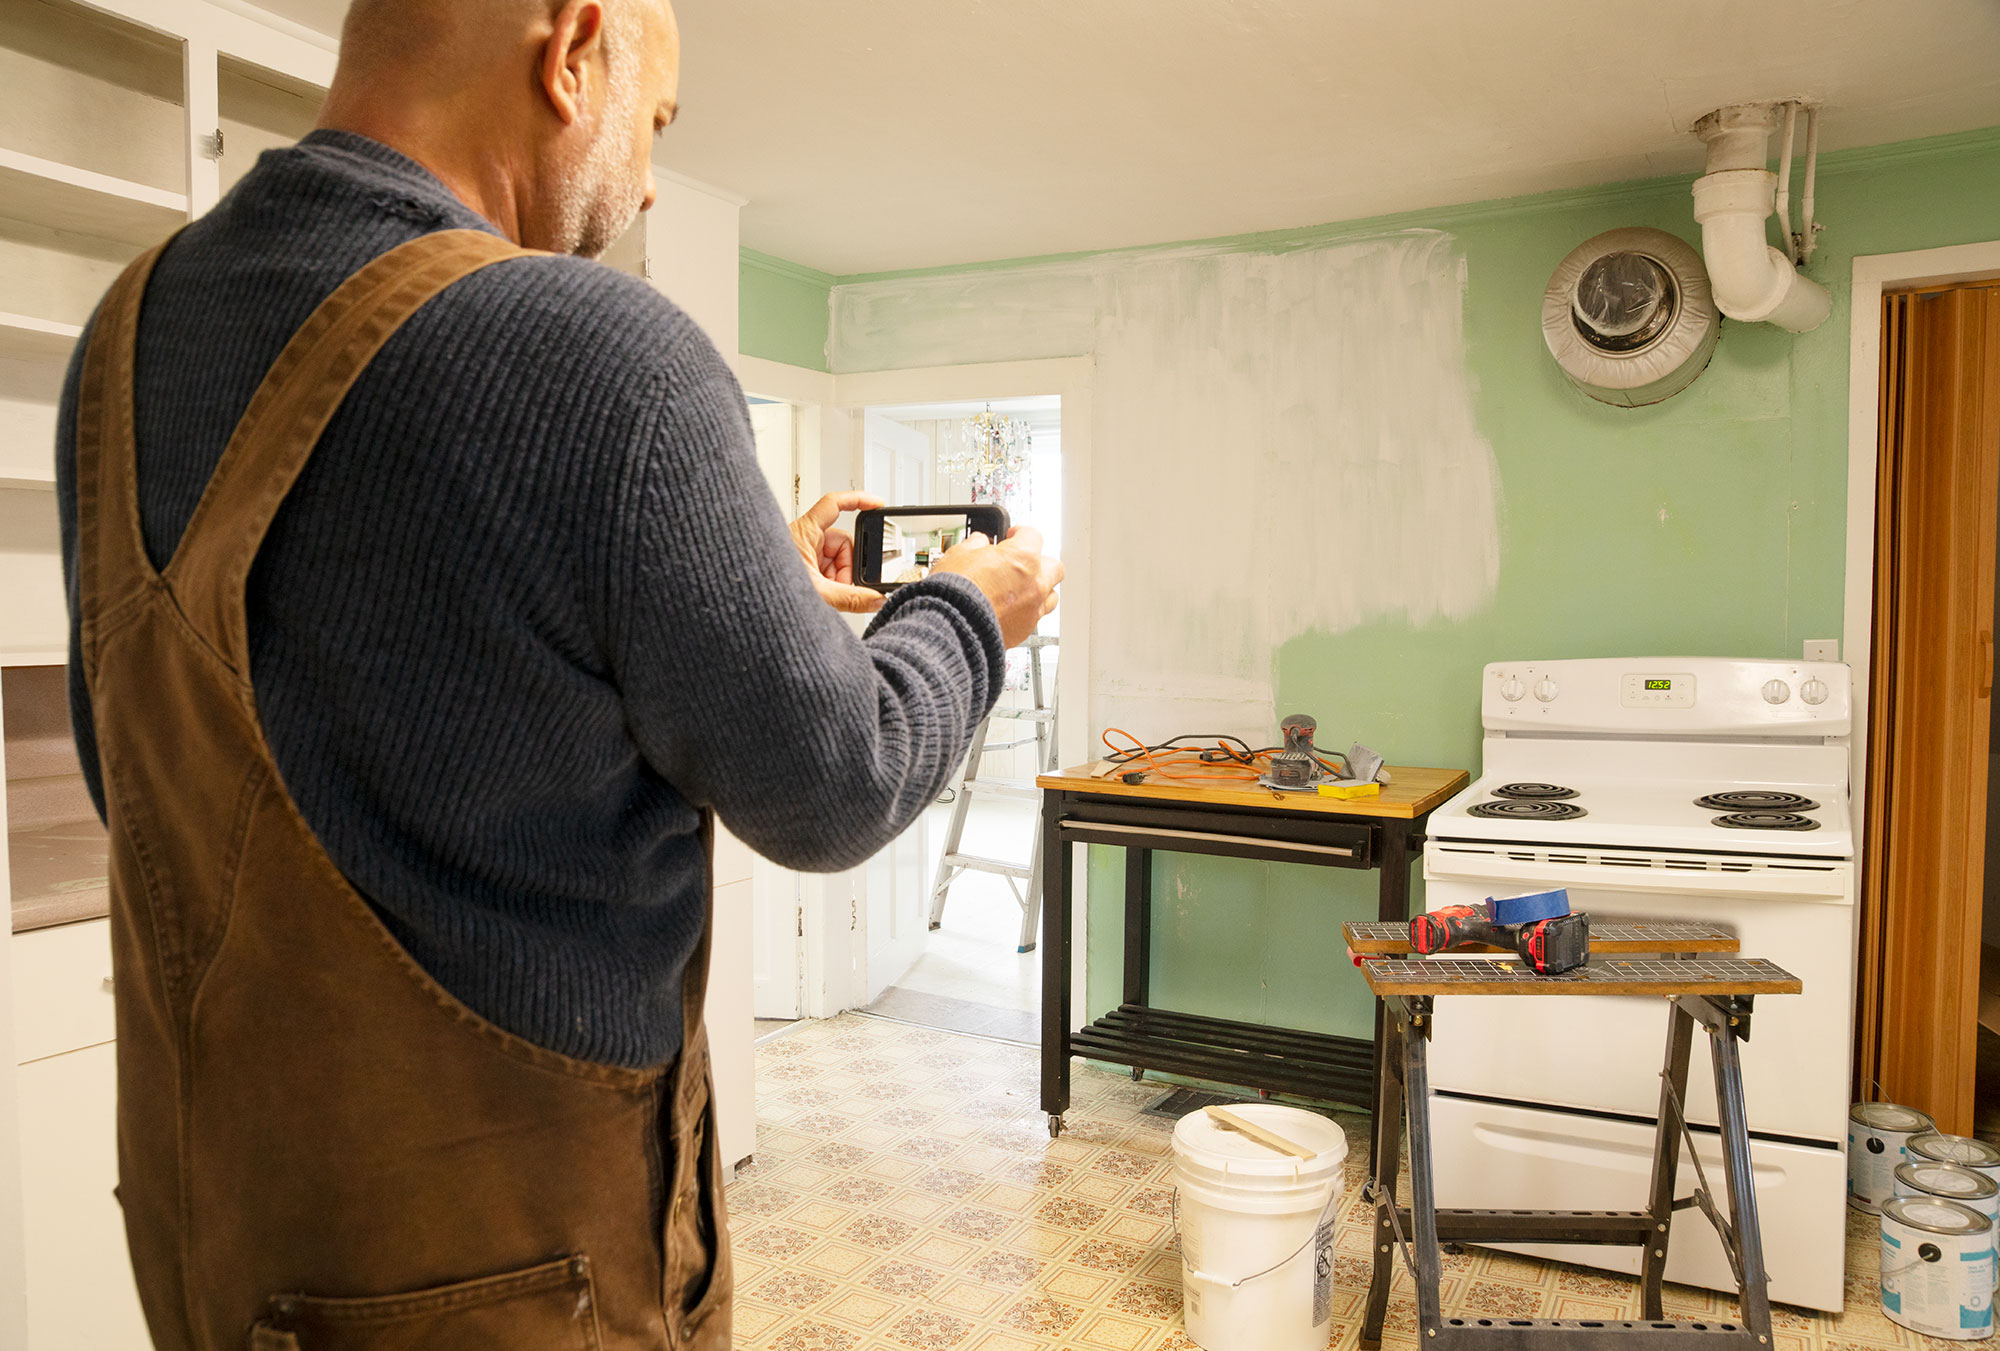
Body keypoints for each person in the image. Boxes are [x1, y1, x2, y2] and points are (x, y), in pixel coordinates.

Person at [53, 0, 1062, 1347]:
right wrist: (971, 610)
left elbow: (197, 738)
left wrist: (726, 575)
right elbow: (839, 782)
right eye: (653, 124)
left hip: (221, 1256)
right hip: (520, 1281)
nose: (645, 181)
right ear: (574, 45)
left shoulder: (116, 347)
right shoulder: (608, 357)